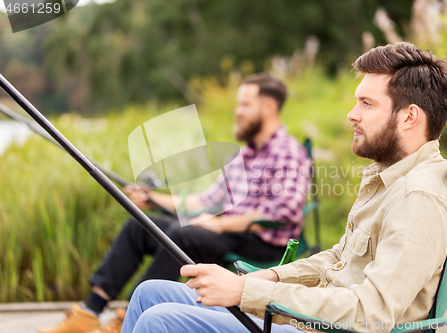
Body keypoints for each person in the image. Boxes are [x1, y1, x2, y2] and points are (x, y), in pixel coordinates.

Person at [121, 42, 447, 333]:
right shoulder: (388, 179)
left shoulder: (418, 197)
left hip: (329, 326)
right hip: (311, 317)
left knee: (161, 320)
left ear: (409, 117)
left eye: (367, 104)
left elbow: (371, 313)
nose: (351, 114)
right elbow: (338, 259)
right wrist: (267, 280)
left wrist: (245, 292)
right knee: (150, 293)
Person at [38, 73, 311, 333]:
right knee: (140, 227)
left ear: (269, 107)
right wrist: (152, 199)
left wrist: (219, 224)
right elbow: (206, 200)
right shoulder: (246, 154)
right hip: (224, 232)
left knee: (182, 234)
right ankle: (89, 311)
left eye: (245, 105)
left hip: (259, 245)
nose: (237, 111)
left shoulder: (287, 152)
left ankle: (126, 317)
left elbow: (283, 212)